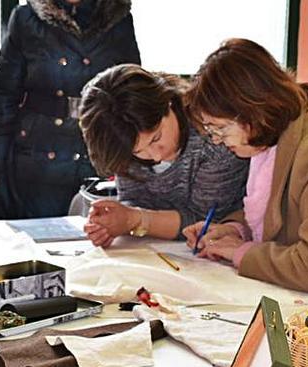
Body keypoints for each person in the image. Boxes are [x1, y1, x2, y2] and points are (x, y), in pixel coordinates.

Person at [181, 39, 308, 295]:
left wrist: (241, 252)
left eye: (221, 128)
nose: (217, 140)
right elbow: (284, 214)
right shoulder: (278, 133)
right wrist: (235, 230)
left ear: (253, 111)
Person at [0, 0, 141, 219]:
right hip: (37, 161)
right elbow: (4, 98)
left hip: (96, 154)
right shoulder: (27, 18)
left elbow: (133, 93)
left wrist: (132, 165)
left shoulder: (117, 16)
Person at [78, 63, 248, 246]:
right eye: (138, 151)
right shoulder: (124, 139)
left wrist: (133, 220)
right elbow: (134, 201)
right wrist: (112, 223)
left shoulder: (213, 138)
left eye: (155, 138)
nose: (155, 156)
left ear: (167, 103)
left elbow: (206, 220)